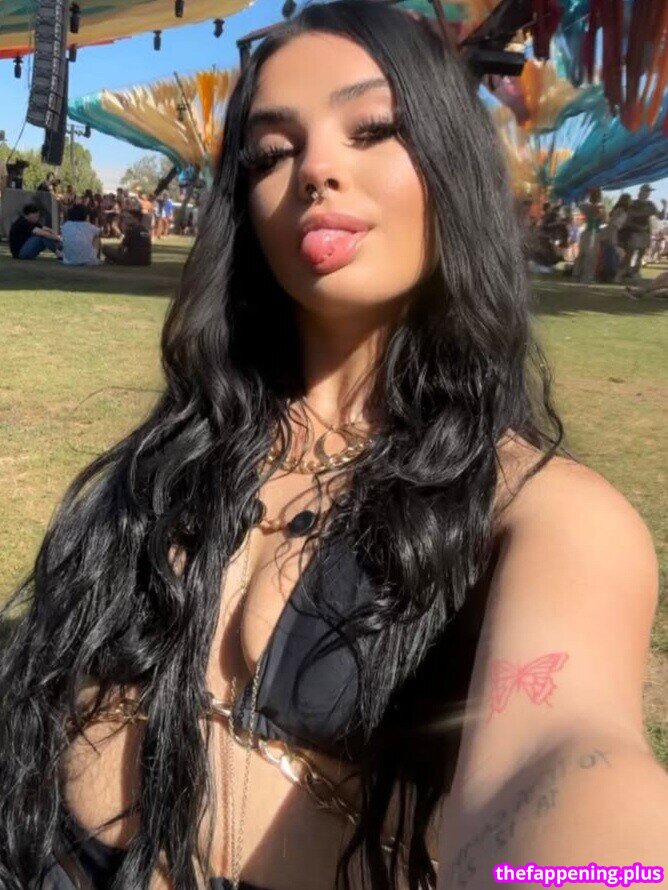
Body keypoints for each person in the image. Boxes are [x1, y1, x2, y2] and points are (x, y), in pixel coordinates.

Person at [1, 4, 665, 890]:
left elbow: (566, 760)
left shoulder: (541, 512)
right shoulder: (184, 441)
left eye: (374, 130)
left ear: (452, 165)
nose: (315, 168)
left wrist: (593, 870)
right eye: (271, 152)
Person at [618, 184, 667, 279]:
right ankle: (624, 272)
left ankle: (634, 273)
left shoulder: (650, 204)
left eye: (649, 191)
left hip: (645, 233)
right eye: (646, 191)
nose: (648, 193)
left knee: (641, 254)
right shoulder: (633, 203)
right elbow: (628, 217)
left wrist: (665, 206)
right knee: (629, 254)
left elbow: (661, 217)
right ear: (641, 191)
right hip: (633, 232)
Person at [572, 185, 606, 283]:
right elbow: (603, 219)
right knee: (591, 255)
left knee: (582, 254)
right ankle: (587, 276)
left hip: (585, 231)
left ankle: (577, 273)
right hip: (593, 232)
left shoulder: (584, 206)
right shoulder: (598, 207)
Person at [599, 193, 631, 282]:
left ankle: (608, 274)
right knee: (614, 253)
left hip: (611, 231)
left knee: (611, 253)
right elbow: (614, 224)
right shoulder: (621, 211)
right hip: (613, 232)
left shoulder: (618, 210)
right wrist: (613, 237)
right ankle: (611, 275)